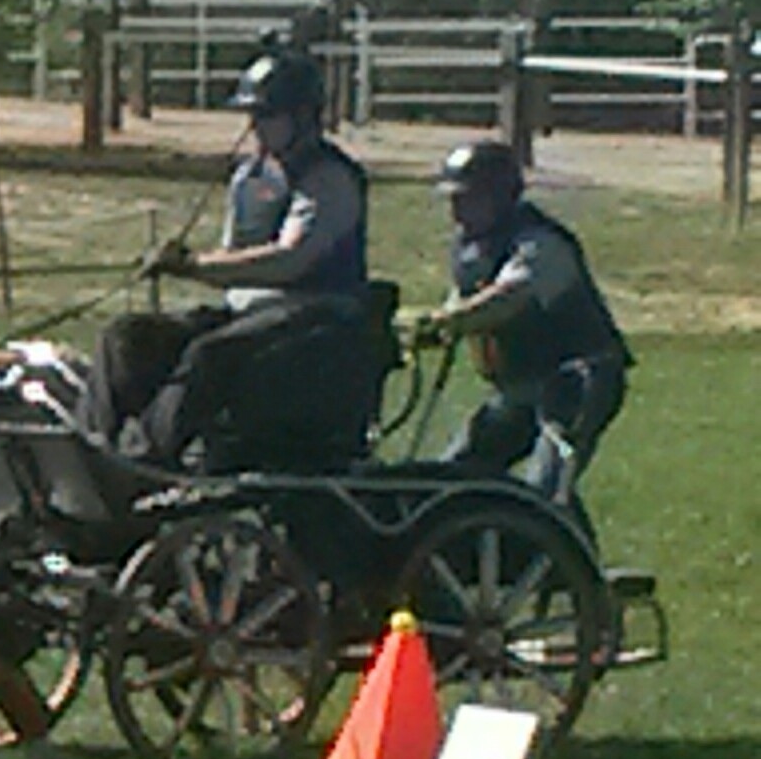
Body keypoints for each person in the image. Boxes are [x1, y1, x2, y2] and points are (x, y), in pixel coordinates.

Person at [79, 44, 373, 467]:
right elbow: (233, 255)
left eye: (266, 115)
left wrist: (195, 266)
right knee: (126, 337)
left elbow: (288, 260)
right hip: (247, 317)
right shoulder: (248, 177)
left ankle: (140, 463)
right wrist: (187, 259)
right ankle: (90, 450)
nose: (254, 126)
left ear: (304, 116)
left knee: (209, 355)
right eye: (250, 115)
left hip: (315, 322)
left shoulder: (329, 178)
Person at [420, 139, 632, 501]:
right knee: (456, 472)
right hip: (521, 388)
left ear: (501, 196)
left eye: (467, 199)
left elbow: (508, 298)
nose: (457, 212)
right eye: (452, 200)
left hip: (579, 380)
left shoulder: (541, 243)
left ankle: (562, 556)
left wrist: (448, 320)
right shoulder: (472, 247)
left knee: (545, 490)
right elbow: (464, 300)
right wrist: (435, 328)